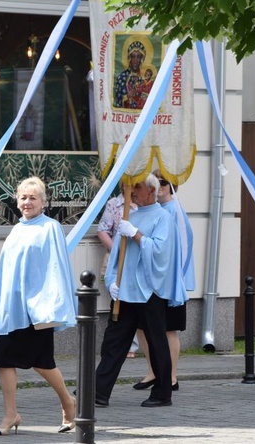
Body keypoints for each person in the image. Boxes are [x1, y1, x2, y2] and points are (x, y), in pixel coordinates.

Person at [0, 177, 77, 436]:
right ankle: (10, 414)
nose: (27, 203)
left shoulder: (51, 227)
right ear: (17, 201)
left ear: (43, 202)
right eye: (23, 198)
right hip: (12, 309)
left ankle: (68, 402)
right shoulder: (16, 229)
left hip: (38, 308)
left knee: (43, 363)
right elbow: (8, 272)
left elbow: (56, 267)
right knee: (4, 360)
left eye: (33, 198)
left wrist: (52, 304)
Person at [95, 173, 187, 408]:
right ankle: (99, 390)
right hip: (126, 290)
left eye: (137, 186)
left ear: (151, 190)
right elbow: (117, 253)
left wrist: (135, 234)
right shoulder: (131, 215)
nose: (132, 190)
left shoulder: (163, 217)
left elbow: (160, 252)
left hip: (150, 292)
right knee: (113, 342)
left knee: (156, 343)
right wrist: (112, 281)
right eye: (131, 186)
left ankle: (163, 392)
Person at [134, 171, 195, 391]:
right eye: (155, 182)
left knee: (169, 329)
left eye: (163, 182)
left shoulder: (173, 211)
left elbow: (181, 248)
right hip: (149, 281)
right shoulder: (152, 210)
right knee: (143, 328)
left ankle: (170, 376)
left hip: (168, 281)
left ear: (171, 186)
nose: (159, 186)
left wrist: (176, 278)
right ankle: (153, 370)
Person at [97, 183, 138, 358]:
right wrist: (117, 251)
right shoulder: (114, 203)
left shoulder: (145, 204)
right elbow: (102, 230)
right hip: (117, 260)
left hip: (137, 259)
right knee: (118, 300)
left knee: (135, 300)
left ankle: (133, 345)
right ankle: (121, 344)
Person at [113, 40, 148, 109]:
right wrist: (127, 96)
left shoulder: (145, 78)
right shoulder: (122, 77)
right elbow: (117, 99)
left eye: (138, 57)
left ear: (142, 59)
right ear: (129, 58)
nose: (135, 60)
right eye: (133, 56)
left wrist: (143, 95)